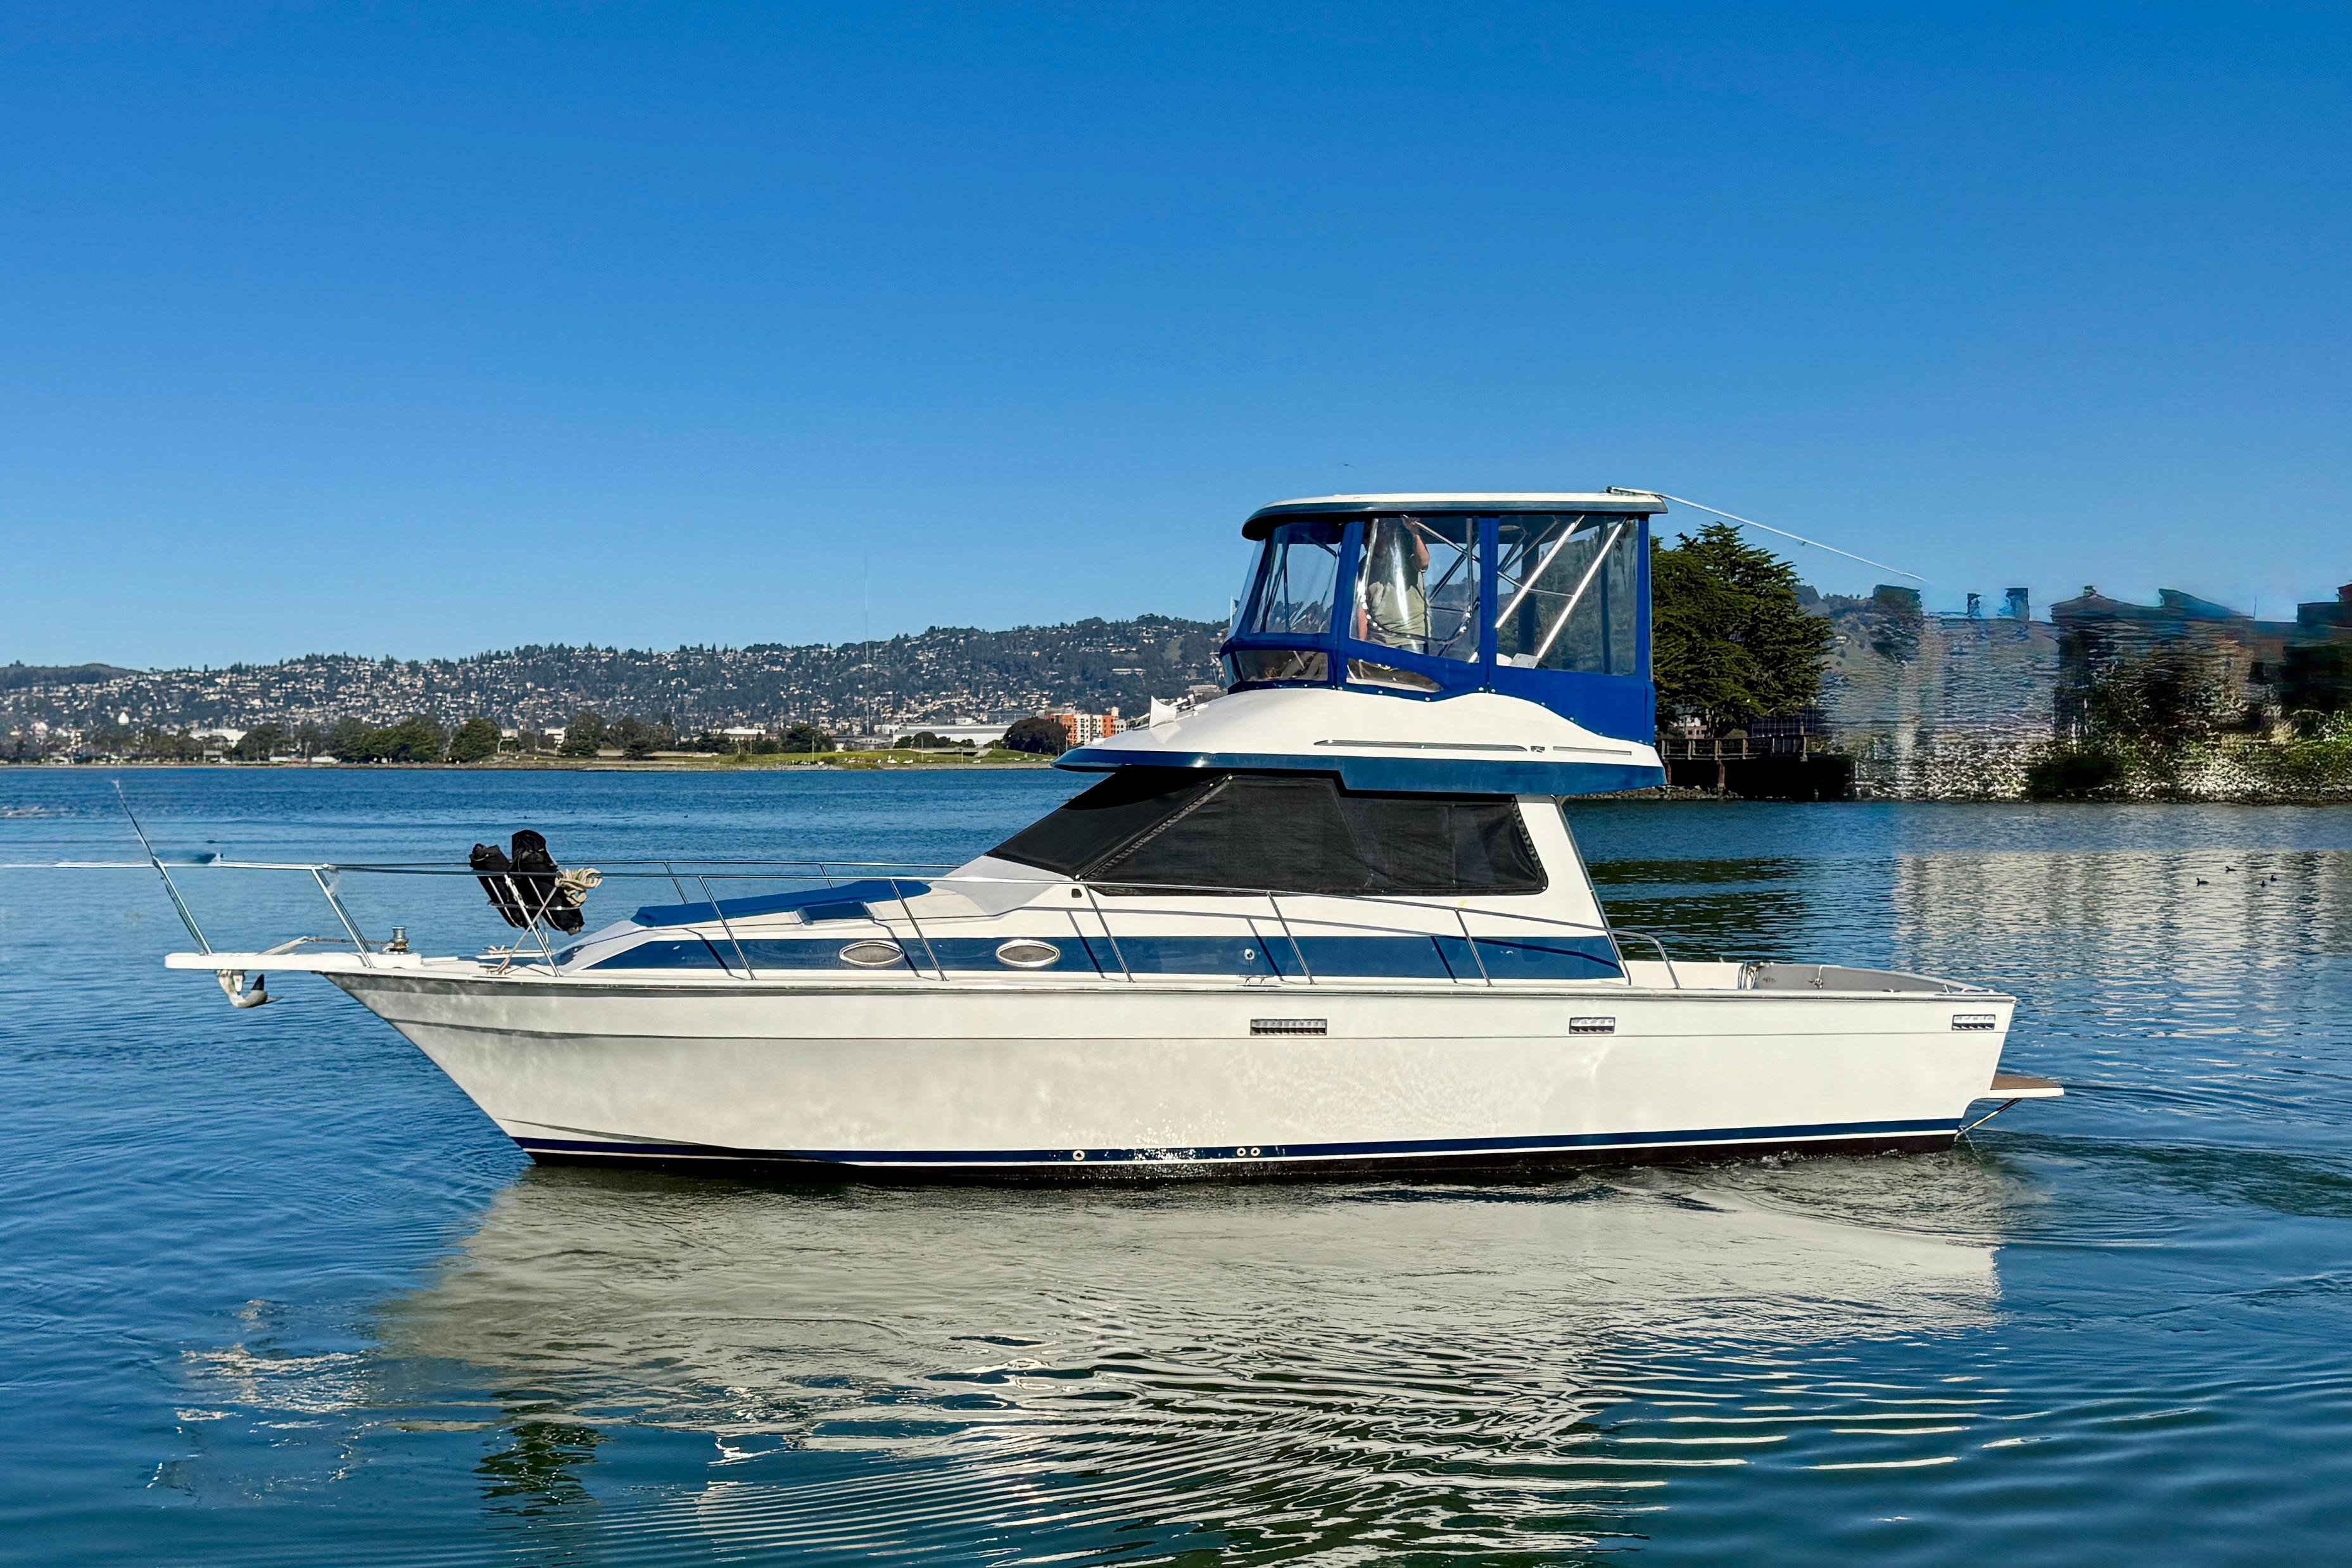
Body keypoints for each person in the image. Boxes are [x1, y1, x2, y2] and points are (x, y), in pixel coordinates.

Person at [1354, 517, 1430, 652]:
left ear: (1386, 533)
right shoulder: (1363, 566)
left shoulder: (1407, 554)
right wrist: (1361, 645)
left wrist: (1415, 533)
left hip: (1411, 639)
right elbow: (1362, 608)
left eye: (1371, 535)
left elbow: (1424, 562)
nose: (1366, 541)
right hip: (1378, 641)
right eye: (1364, 537)